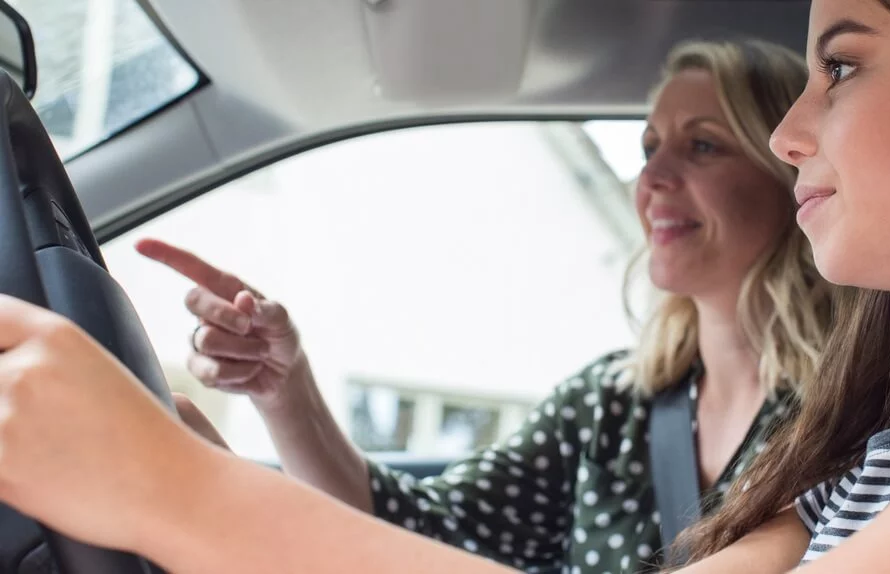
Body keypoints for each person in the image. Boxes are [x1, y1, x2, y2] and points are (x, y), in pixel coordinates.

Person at [0, 0, 890, 573]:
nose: (790, 134)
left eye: (839, 67)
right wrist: (178, 468)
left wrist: (177, 494)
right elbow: (417, 531)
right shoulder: (888, 444)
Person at [130, 37, 835, 573]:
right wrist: (285, 390)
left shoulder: (856, 412)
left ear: (792, 174)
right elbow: (421, 528)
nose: (650, 176)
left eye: (702, 145)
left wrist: (212, 497)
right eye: (648, 147)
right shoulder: (612, 403)